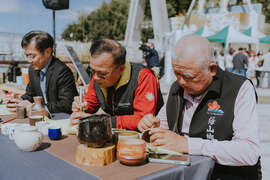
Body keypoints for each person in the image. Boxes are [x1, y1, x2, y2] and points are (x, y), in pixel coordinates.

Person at [139, 34, 261, 180]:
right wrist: (150, 128)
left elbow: (249, 151)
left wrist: (187, 145)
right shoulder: (177, 88)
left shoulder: (239, 88)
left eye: (189, 76)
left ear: (212, 69)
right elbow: (162, 127)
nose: (182, 82)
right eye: (176, 74)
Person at [71, 39, 164, 130]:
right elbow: (90, 103)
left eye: (103, 74)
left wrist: (101, 121)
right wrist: (81, 108)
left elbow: (143, 119)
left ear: (121, 69)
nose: (95, 78)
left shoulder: (144, 77)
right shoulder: (97, 76)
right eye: (91, 70)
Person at [18, 30, 78, 114]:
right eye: (27, 56)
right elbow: (30, 94)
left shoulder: (62, 71)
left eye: (32, 56)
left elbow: (67, 104)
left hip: (60, 119)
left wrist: (38, 107)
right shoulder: (32, 69)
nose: (29, 60)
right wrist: (19, 101)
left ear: (48, 52)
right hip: (41, 118)